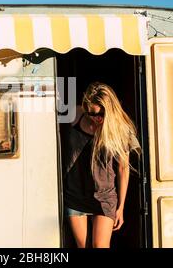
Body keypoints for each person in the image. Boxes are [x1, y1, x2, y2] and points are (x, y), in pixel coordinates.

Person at [62, 82, 141, 248]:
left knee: (100, 246)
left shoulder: (120, 128)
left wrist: (120, 208)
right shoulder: (75, 115)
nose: (96, 118)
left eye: (101, 114)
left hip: (104, 196)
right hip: (75, 194)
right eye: (91, 113)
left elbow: (123, 169)